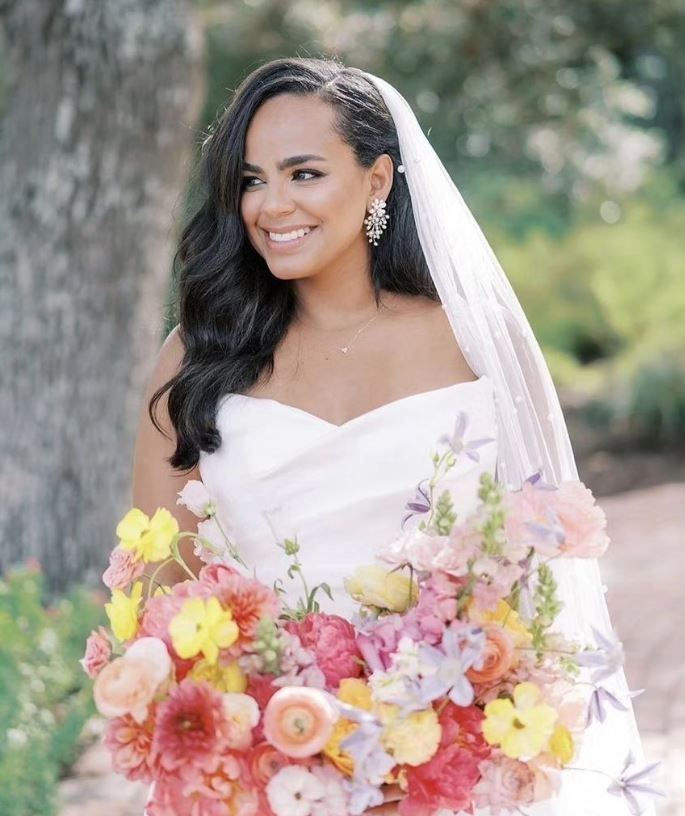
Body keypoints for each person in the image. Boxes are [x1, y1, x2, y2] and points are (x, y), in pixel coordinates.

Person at [132, 57, 652, 815]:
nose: (271, 205)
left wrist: (456, 725)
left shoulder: (475, 342)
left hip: (454, 771)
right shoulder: (197, 357)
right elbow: (156, 589)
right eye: (250, 180)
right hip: (264, 775)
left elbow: (542, 580)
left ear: (377, 180)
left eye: (303, 174)